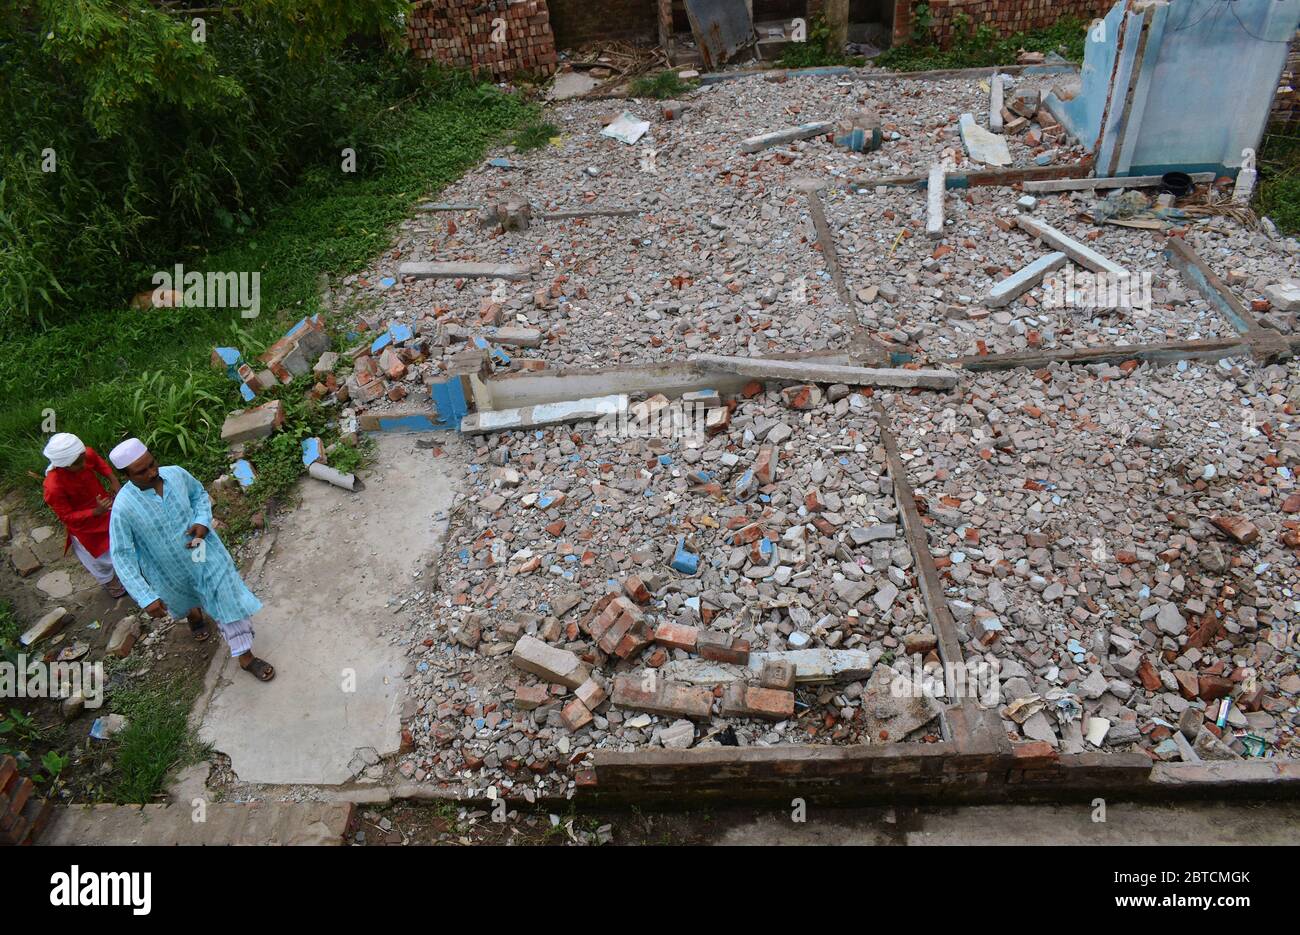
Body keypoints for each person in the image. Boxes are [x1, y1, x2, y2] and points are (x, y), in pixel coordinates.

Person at [107, 438, 275, 681]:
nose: (152, 472)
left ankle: (245, 656)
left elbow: (198, 495)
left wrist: (202, 521)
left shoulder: (175, 474)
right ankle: (194, 616)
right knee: (187, 600)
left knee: (226, 598)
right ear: (126, 475)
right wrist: (145, 596)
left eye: (152, 464)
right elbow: (122, 555)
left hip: (203, 552)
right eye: (141, 472)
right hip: (169, 572)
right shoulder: (123, 508)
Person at [41, 433, 126, 598]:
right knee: (100, 559)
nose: (84, 464)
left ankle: (128, 570)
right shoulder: (54, 487)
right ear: (63, 465)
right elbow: (66, 516)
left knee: (120, 540)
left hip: (105, 508)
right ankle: (111, 582)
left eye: (83, 459)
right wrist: (94, 512)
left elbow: (101, 465)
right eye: (78, 464)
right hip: (85, 527)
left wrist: (114, 482)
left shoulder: (84, 455)